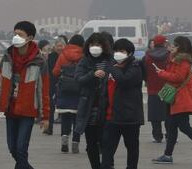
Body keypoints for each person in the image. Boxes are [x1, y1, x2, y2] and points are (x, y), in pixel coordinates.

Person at [0, 21, 50, 169]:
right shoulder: (7, 57)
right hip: (10, 108)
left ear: (29, 38)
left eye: (20, 35)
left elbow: (43, 91)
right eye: (15, 34)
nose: (16, 37)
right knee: (12, 148)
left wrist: (45, 116)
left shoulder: (39, 61)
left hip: (27, 110)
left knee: (21, 149)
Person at [152, 36, 192, 165]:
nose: (171, 47)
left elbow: (178, 77)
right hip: (176, 98)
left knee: (184, 127)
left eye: (174, 45)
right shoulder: (175, 59)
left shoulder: (184, 61)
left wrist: (161, 73)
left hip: (182, 98)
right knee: (171, 127)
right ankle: (167, 155)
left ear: (180, 47)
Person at [101, 38, 144, 169]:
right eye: (116, 50)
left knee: (132, 148)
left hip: (129, 117)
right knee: (107, 149)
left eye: (122, 51)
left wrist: (113, 69)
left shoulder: (134, 67)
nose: (118, 53)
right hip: (112, 116)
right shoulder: (112, 65)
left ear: (130, 53)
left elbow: (124, 81)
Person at [74, 32, 112, 169]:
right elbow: (78, 79)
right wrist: (92, 74)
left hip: (105, 107)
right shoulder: (84, 61)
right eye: (92, 44)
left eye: (98, 44)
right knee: (91, 143)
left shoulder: (109, 61)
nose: (94, 47)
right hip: (89, 107)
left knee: (106, 142)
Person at [53, 34, 85, 153]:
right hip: (79, 91)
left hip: (65, 90)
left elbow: (55, 72)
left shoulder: (63, 55)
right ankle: (75, 143)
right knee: (78, 118)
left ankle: (64, 140)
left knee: (65, 117)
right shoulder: (84, 56)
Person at [142, 35, 170, 143]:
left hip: (153, 88)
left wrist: (148, 80)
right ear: (164, 43)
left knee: (155, 115)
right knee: (168, 113)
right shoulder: (169, 56)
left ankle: (157, 136)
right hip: (167, 87)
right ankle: (170, 135)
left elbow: (144, 72)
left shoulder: (147, 56)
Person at [43, 36, 67, 135]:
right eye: (58, 46)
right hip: (52, 84)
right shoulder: (51, 56)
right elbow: (49, 71)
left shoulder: (67, 56)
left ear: (65, 46)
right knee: (51, 107)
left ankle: (66, 130)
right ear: (55, 46)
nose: (59, 48)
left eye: (61, 46)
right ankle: (49, 128)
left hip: (65, 84)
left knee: (65, 107)